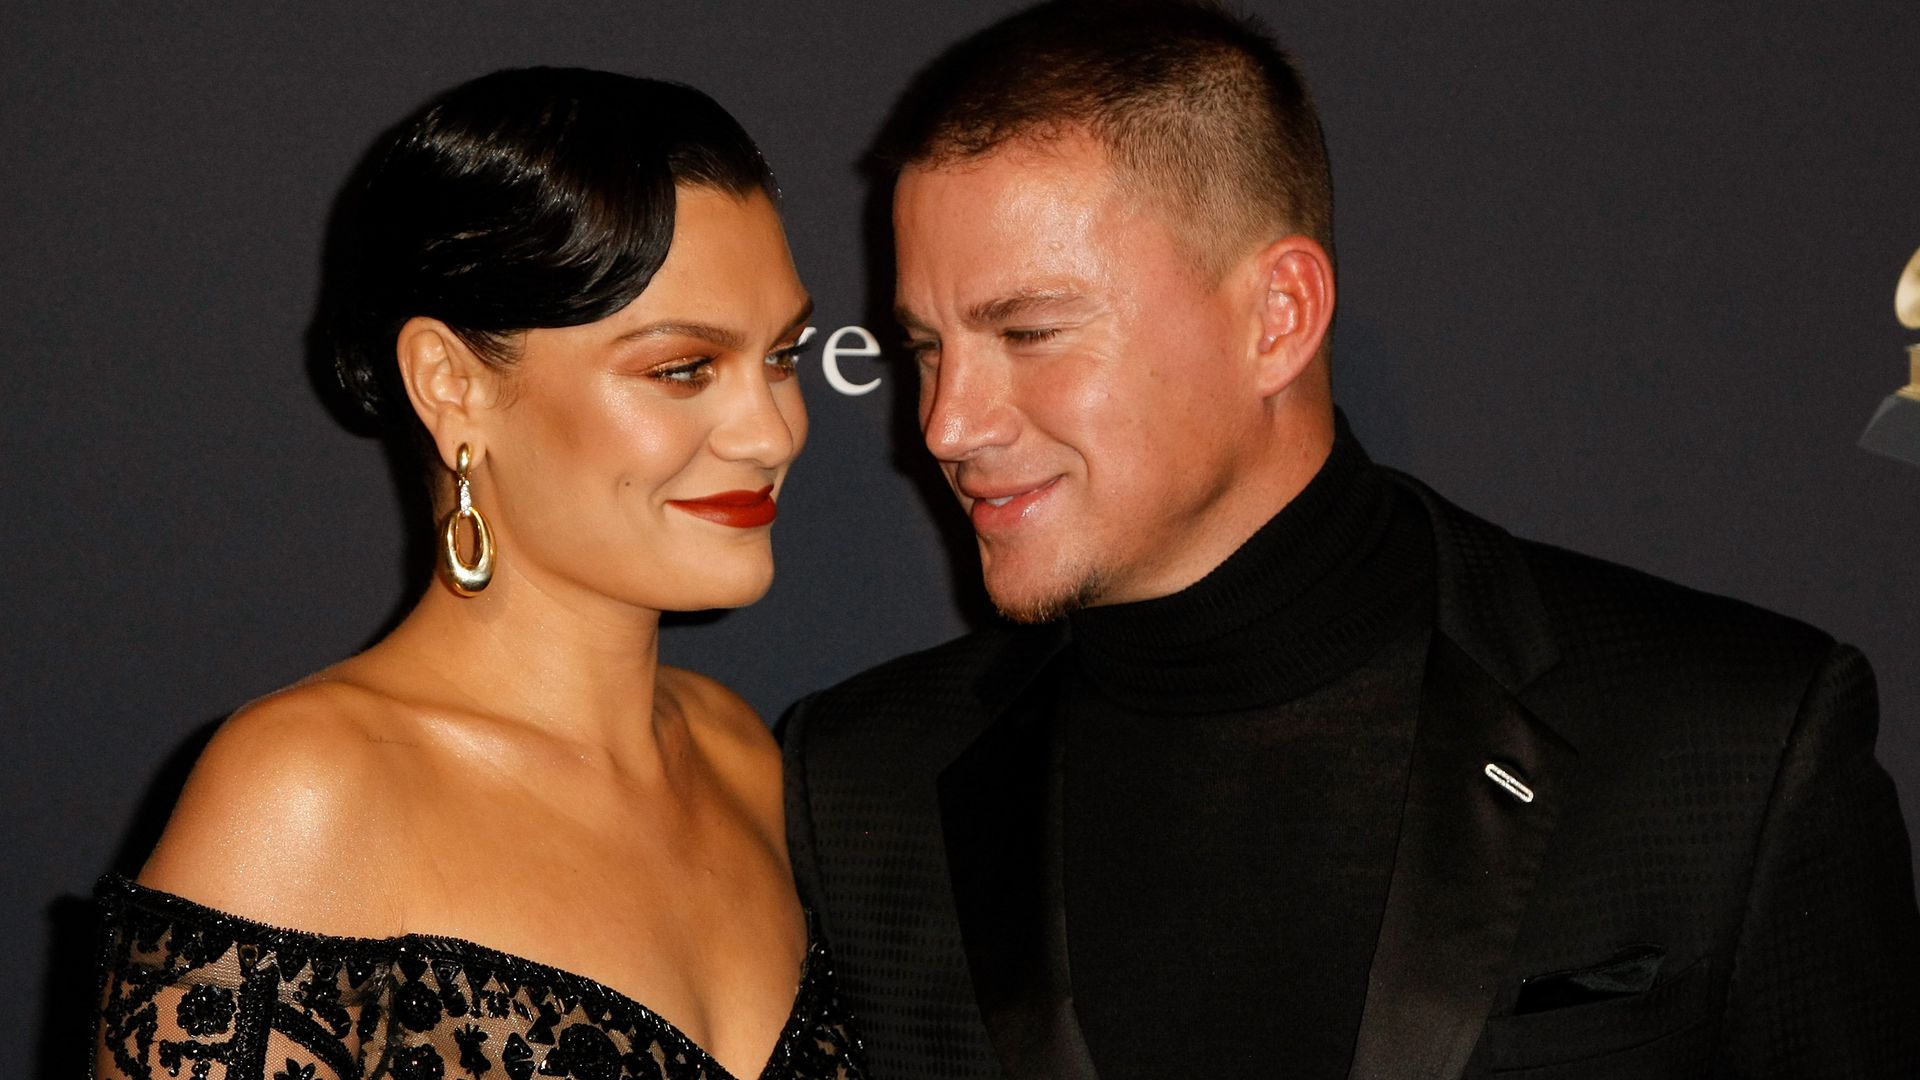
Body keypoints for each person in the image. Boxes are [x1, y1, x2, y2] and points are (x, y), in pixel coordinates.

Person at [779, 3, 1920, 1078]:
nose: (948, 424)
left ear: (1277, 317)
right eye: (926, 348)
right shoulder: (863, 787)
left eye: (1029, 332)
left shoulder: (1726, 744)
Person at [94, 68, 865, 1080]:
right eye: (682, 368)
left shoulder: (740, 756)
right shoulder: (305, 797)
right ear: (450, 383)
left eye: (783, 355)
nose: (774, 431)